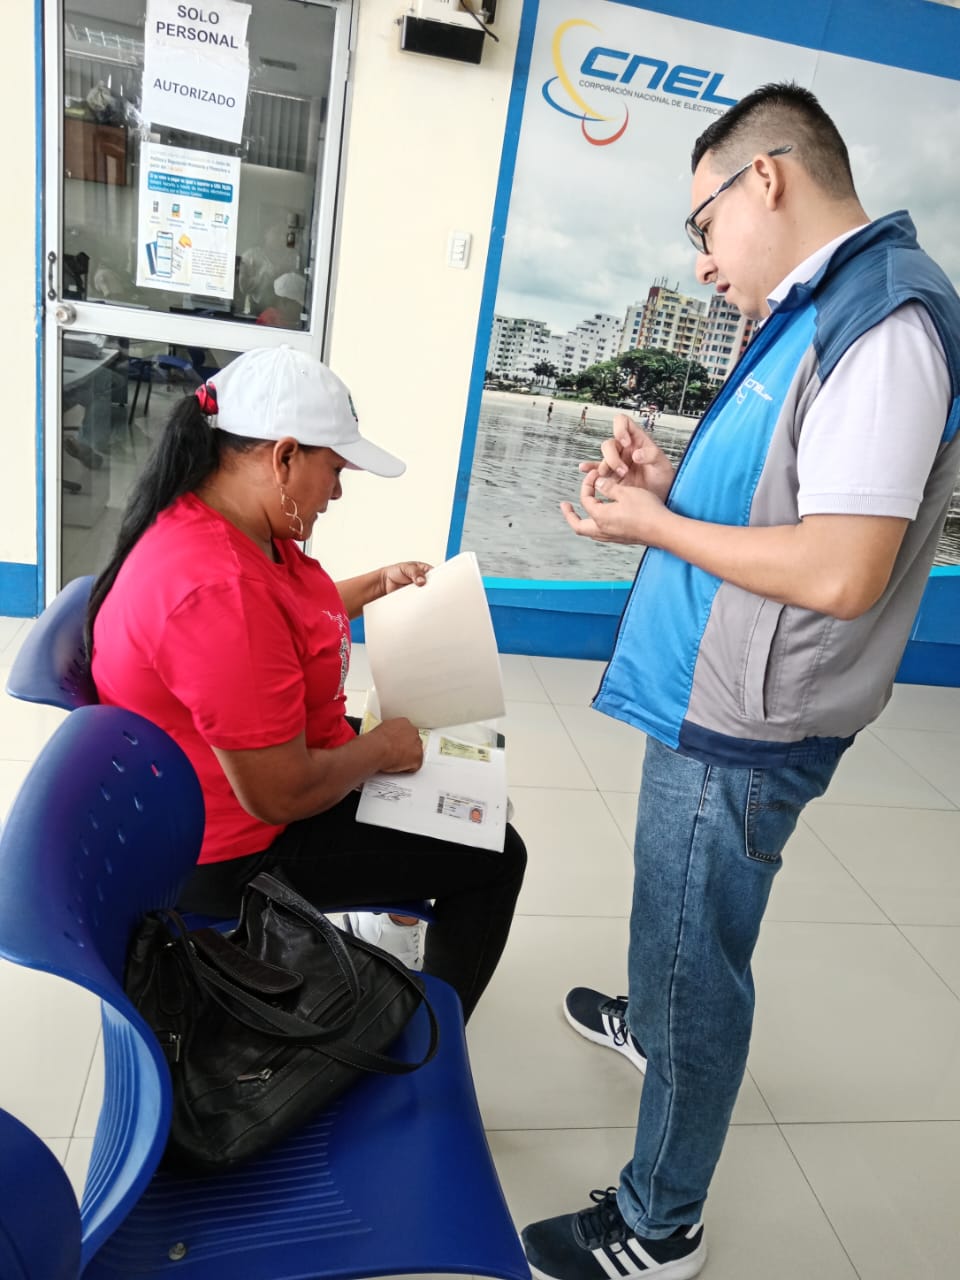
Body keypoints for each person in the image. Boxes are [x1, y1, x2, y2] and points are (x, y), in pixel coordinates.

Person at [521, 82, 960, 1279]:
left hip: (751, 721)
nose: (703, 259)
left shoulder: (883, 321)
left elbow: (841, 568)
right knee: (668, 910)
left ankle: (659, 1222)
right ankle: (654, 1021)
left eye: (702, 224)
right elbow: (784, 500)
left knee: (698, 952)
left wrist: (656, 528)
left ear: (765, 176)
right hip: (708, 685)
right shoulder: (812, 310)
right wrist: (670, 487)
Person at [87, 345, 526, 1021]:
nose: (338, 493)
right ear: (284, 456)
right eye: (337, 470)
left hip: (251, 775)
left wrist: (376, 586)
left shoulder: (227, 528)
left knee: (471, 792)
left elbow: (281, 621)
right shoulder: (217, 588)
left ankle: (390, 920)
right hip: (234, 848)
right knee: (497, 851)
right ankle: (430, 1033)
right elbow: (278, 793)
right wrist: (380, 750)